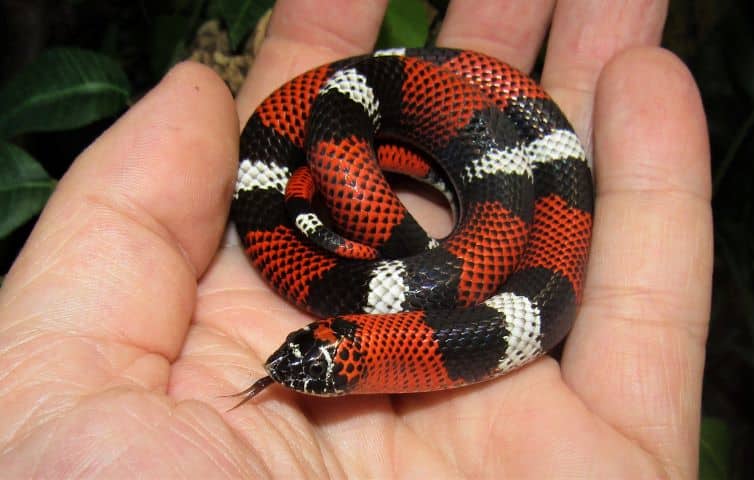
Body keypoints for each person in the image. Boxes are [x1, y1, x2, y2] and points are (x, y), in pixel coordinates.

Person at [0, 0, 711, 477]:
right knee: (350, 110)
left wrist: (346, 223)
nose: (289, 361)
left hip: (444, 205)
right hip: (386, 231)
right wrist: (322, 220)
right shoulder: (382, 317)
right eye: (312, 358)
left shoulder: (433, 294)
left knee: (493, 171)